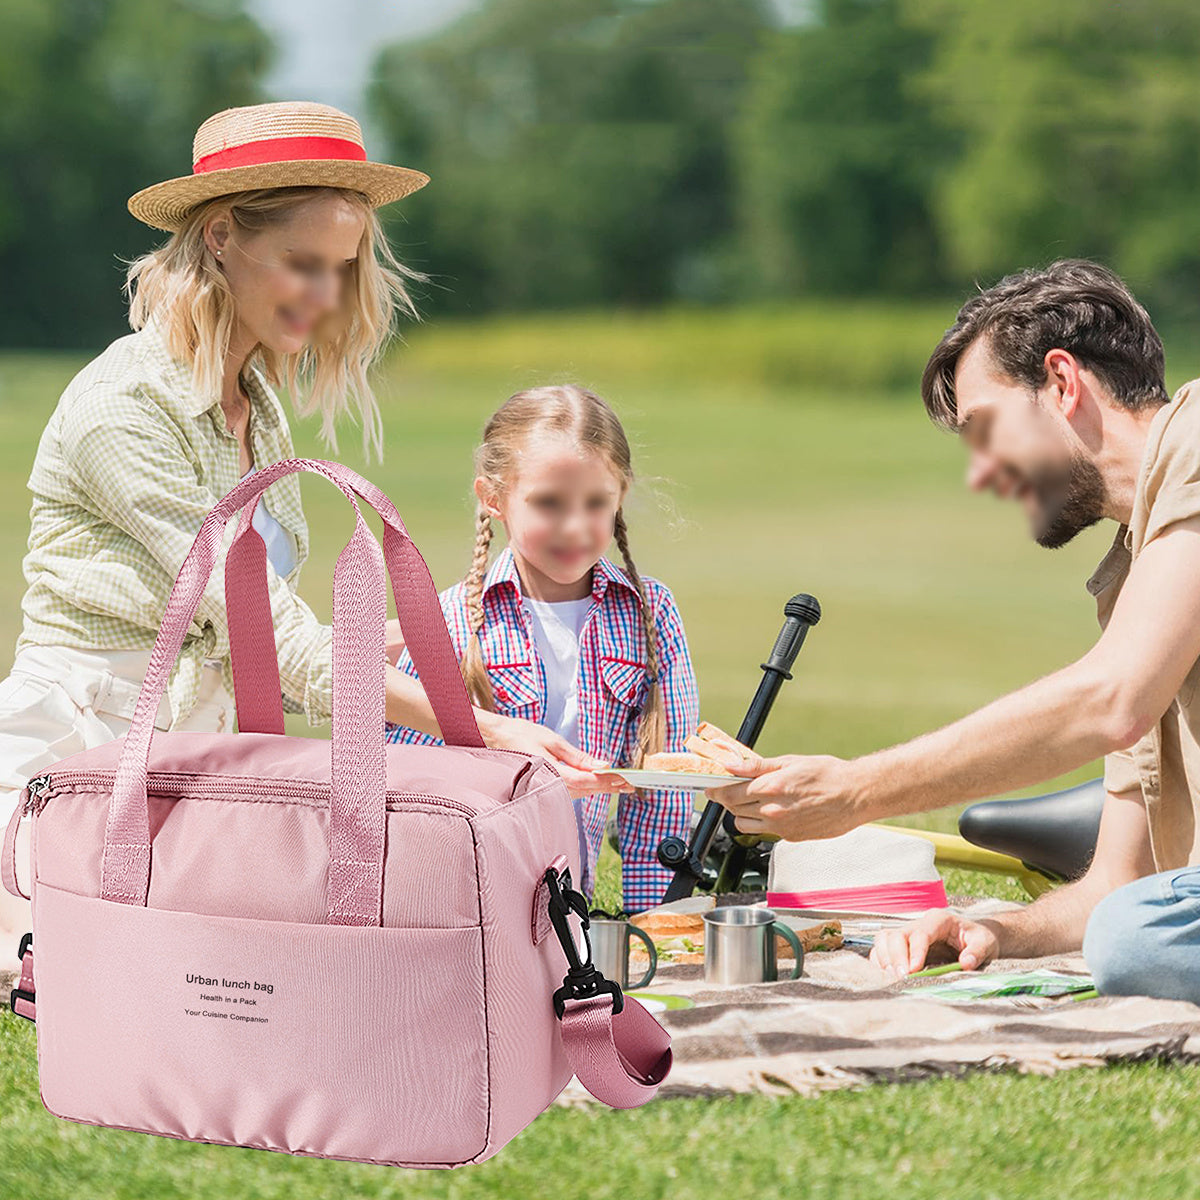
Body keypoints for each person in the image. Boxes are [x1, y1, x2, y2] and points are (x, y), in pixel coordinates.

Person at [0, 100, 615, 968]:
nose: (327, 297)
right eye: (302, 263)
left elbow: (264, 635)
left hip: (205, 763)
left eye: (341, 268)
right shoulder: (122, 410)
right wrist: (481, 728)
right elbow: (269, 635)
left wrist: (387, 647)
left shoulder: (254, 406)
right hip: (81, 762)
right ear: (219, 235)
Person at [710, 258, 1200, 1001]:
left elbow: (1112, 698)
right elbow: (1115, 881)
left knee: (1133, 939)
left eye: (984, 429)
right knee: (1129, 927)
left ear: (1063, 383)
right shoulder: (1134, 576)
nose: (982, 473)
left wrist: (856, 791)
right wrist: (998, 932)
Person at [383, 385, 702, 911]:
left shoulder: (651, 615)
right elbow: (406, 782)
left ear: (620, 494)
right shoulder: (446, 621)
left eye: (595, 503)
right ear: (492, 497)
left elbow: (662, 792)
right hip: (451, 903)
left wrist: (654, 924)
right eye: (549, 503)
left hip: (567, 913)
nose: (575, 526)